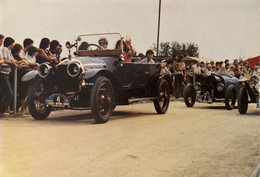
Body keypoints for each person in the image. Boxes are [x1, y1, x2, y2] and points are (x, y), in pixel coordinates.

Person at [0, 37, 18, 117]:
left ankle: (3, 110)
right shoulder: (4, 49)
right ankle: (2, 111)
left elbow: (10, 60)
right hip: (3, 73)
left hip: (7, 74)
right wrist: (11, 62)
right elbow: (4, 60)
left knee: (5, 93)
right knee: (9, 92)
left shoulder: (8, 51)